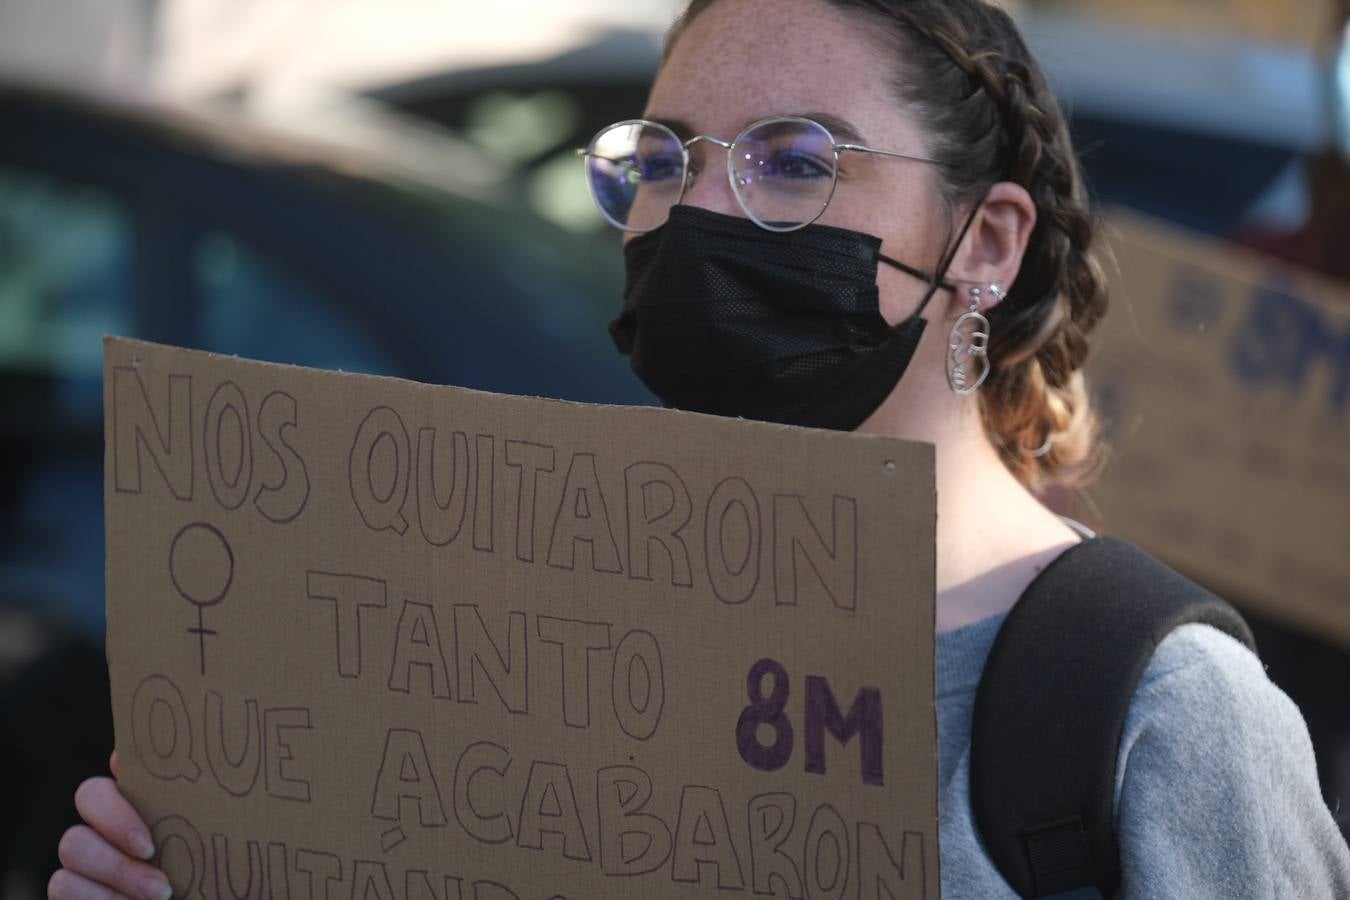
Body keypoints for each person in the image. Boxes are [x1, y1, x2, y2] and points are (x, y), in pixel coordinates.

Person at [49, 0, 1350, 897]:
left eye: (795, 161)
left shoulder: (1162, 714)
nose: (699, 211)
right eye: (659, 161)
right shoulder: (520, 643)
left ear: (988, 245)